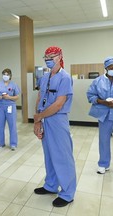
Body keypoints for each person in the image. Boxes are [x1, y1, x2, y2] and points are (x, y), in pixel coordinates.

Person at [33, 46, 76, 207]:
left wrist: (39, 116)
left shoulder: (65, 78)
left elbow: (58, 104)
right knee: (49, 154)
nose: (48, 59)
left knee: (63, 156)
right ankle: (51, 185)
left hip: (57, 120)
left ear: (60, 57)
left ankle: (67, 193)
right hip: (44, 119)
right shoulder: (44, 77)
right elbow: (39, 97)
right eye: (46, 56)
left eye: (52, 56)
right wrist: (37, 120)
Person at [0, 68, 20, 151]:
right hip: (0, 106)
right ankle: (1, 143)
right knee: (0, 125)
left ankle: (13, 144)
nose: (5, 76)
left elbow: (17, 97)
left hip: (10, 106)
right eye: (4, 74)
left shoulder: (13, 85)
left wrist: (9, 97)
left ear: (10, 76)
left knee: (12, 125)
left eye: (7, 74)